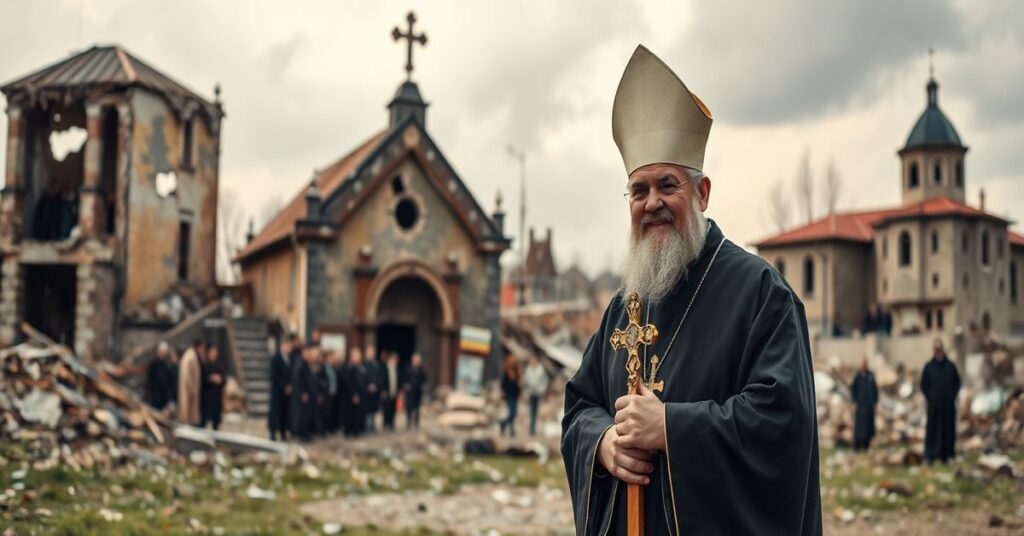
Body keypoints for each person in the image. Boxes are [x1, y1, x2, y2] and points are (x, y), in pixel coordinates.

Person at [561, 45, 821, 535]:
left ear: (701, 193)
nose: (652, 202)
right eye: (639, 191)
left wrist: (672, 429)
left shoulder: (762, 294)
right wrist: (602, 443)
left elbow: (784, 422)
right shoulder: (623, 306)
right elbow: (580, 405)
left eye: (668, 185)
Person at [921, 338, 961, 464]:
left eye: (940, 349)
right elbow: (923, 385)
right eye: (936, 349)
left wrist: (951, 396)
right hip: (934, 406)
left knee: (948, 430)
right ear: (934, 350)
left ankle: (947, 454)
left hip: (948, 406)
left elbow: (957, 383)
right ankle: (931, 455)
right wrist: (930, 397)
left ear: (942, 350)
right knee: (933, 430)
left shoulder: (950, 366)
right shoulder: (929, 367)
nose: (938, 352)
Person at [290, 342, 317, 442]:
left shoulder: (307, 364)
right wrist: (303, 393)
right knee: (302, 416)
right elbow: (298, 381)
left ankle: (307, 434)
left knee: (307, 415)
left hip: (308, 396)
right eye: (308, 352)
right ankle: (302, 435)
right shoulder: (300, 364)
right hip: (302, 396)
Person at [850, 356, 878, 451]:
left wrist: (875, 402)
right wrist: (854, 403)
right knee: (860, 428)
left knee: (868, 427)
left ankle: (866, 445)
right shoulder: (857, 377)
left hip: (869, 406)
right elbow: (853, 390)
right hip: (860, 406)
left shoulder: (870, 375)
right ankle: (857, 446)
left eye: (865, 363)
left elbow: (875, 390)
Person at [268, 336, 293, 441]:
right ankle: (273, 433)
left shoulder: (289, 359)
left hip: (286, 392)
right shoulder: (275, 358)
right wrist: (283, 386)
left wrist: (290, 386)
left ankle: (283, 432)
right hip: (277, 391)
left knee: (284, 412)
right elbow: (274, 375)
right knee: (276, 413)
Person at [177, 339, 204, 425]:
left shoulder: (191, 356)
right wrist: (191, 389)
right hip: (189, 391)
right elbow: (187, 375)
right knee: (187, 416)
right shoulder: (190, 357)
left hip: (190, 390)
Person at [199, 345, 226, 430]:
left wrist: (220, 380)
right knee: (204, 421)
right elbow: (202, 380)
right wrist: (210, 379)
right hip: (206, 397)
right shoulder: (205, 365)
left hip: (217, 397)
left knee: (216, 422)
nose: (214, 354)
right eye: (212, 352)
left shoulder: (219, 365)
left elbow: (224, 380)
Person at [344, 347, 368, 436]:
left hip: (361, 394)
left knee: (358, 414)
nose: (359, 358)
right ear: (352, 356)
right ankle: (349, 431)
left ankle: (357, 430)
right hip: (352, 396)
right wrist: (354, 394)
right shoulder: (349, 368)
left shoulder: (360, 367)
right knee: (351, 414)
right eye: (357, 356)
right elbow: (349, 383)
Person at [523, 355, 549, 436]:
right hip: (531, 392)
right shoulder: (528, 369)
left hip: (538, 392)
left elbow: (545, 380)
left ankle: (533, 428)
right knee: (531, 410)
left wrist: (543, 389)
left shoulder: (540, 369)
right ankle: (531, 428)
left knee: (535, 411)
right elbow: (526, 381)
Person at [146, 342, 176, 411]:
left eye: (164, 352)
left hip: (165, 396)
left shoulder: (168, 364)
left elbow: (170, 381)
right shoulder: (154, 364)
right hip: (155, 395)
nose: (163, 353)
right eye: (161, 351)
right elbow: (150, 380)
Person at [403, 353, 427, 429]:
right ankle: (408, 421)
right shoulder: (408, 369)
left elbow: (424, 380)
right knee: (408, 407)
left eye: (418, 360)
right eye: (415, 360)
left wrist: (422, 386)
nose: (417, 361)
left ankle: (416, 422)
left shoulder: (421, 370)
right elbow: (403, 378)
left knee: (417, 408)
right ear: (412, 360)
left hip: (417, 391)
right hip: (409, 392)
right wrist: (406, 385)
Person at [499, 355, 522, 437]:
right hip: (509, 395)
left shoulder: (517, 372)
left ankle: (510, 428)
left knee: (514, 413)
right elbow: (503, 384)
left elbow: (519, 384)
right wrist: (504, 392)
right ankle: (504, 424)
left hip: (515, 395)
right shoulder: (507, 372)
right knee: (512, 412)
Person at [363, 347, 383, 433]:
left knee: (374, 410)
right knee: (367, 410)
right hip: (366, 391)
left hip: (375, 391)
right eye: (369, 353)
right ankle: (367, 427)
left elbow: (380, 377)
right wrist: (368, 386)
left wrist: (377, 386)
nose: (371, 355)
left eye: (372, 353)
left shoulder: (377, 365)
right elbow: (362, 378)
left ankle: (373, 427)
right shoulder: (363, 365)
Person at [381, 352, 400, 430]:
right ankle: (386, 423)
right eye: (393, 360)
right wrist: (383, 390)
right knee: (386, 408)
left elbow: (399, 380)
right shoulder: (385, 368)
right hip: (387, 391)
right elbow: (382, 380)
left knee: (393, 408)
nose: (394, 361)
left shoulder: (397, 369)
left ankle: (391, 423)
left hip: (394, 392)